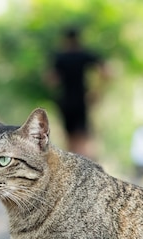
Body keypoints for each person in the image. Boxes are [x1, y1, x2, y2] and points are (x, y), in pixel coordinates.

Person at [47, 27, 108, 159]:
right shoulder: (85, 55)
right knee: (84, 136)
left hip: (66, 101)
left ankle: (75, 166)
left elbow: (52, 80)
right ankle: (86, 166)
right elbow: (107, 72)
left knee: (70, 139)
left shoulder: (60, 57)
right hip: (81, 100)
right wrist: (97, 91)